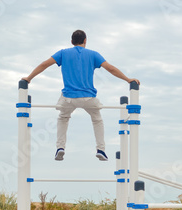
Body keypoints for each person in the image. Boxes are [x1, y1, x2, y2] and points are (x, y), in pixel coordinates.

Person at [21, 30, 140, 161]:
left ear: (71, 42)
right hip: (89, 98)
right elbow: (110, 68)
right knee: (97, 119)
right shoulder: (93, 54)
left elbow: (44, 64)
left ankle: (60, 147)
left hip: (68, 98)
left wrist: (29, 78)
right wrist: (128, 79)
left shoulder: (63, 53)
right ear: (85, 41)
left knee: (63, 117)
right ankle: (101, 149)